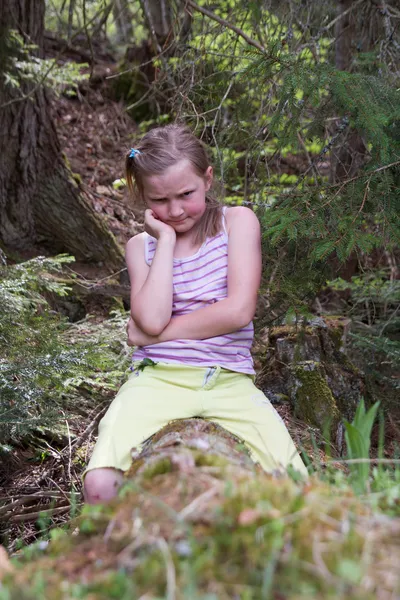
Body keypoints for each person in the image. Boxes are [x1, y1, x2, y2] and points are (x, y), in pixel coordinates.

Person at [83, 124, 307, 504]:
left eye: (186, 194)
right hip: (158, 381)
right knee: (101, 485)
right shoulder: (142, 247)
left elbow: (237, 311)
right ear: (142, 195)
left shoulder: (237, 222)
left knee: (297, 488)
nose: (174, 210)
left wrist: (150, 335)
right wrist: (166, 242)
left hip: (229, 381)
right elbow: (152, 318)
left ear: (207, 178)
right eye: (159, 200)